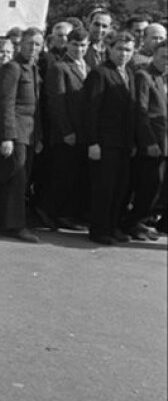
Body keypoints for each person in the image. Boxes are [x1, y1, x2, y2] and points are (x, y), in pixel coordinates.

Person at [0, 26, 44, 243]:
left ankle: (0, 220)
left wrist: (38, 136)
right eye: (30, 43)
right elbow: (5, 103)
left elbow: (36, 107)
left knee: (17, 179)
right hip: (16, 132)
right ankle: (15, 226)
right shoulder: (12, 68)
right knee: (16, 180)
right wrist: (7, 136)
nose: (33, 48)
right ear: (20, 44)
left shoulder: (33, 68)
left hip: (29, 133)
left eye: (38, 44)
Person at [83, 31, 138, 244]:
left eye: (128, 50)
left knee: (120, 187)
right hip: (104, 142)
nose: (123, 54)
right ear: (110, 48)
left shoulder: (130, 74)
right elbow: (91, 110)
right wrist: (93, 142)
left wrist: (132, 141)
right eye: (119, 49)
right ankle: (99, 230)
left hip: (123, 143)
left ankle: (113, 226)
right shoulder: (100, 73)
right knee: (103, 188)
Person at [44, 27, 91, 229]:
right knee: (63, 175)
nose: (79, 49)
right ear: (67, 45)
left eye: (82, 45)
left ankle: (69, 213)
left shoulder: (87, 67)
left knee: (76, 176)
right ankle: (56, 213)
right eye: (74, 45)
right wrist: (66, 131)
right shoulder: (60, 67)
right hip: (67, 133)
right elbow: (57, 102)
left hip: (83, 132)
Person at [127, 40, 168, 240]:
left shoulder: (161, 78)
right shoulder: (144, 76)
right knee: (147, 185)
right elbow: (140, 112)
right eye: (164, 57)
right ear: (154, 55)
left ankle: (142, 222)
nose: (167, 62)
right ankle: (134, 223)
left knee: (156, 186)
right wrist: (148, 142)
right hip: (150, 144)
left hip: (163, 143)